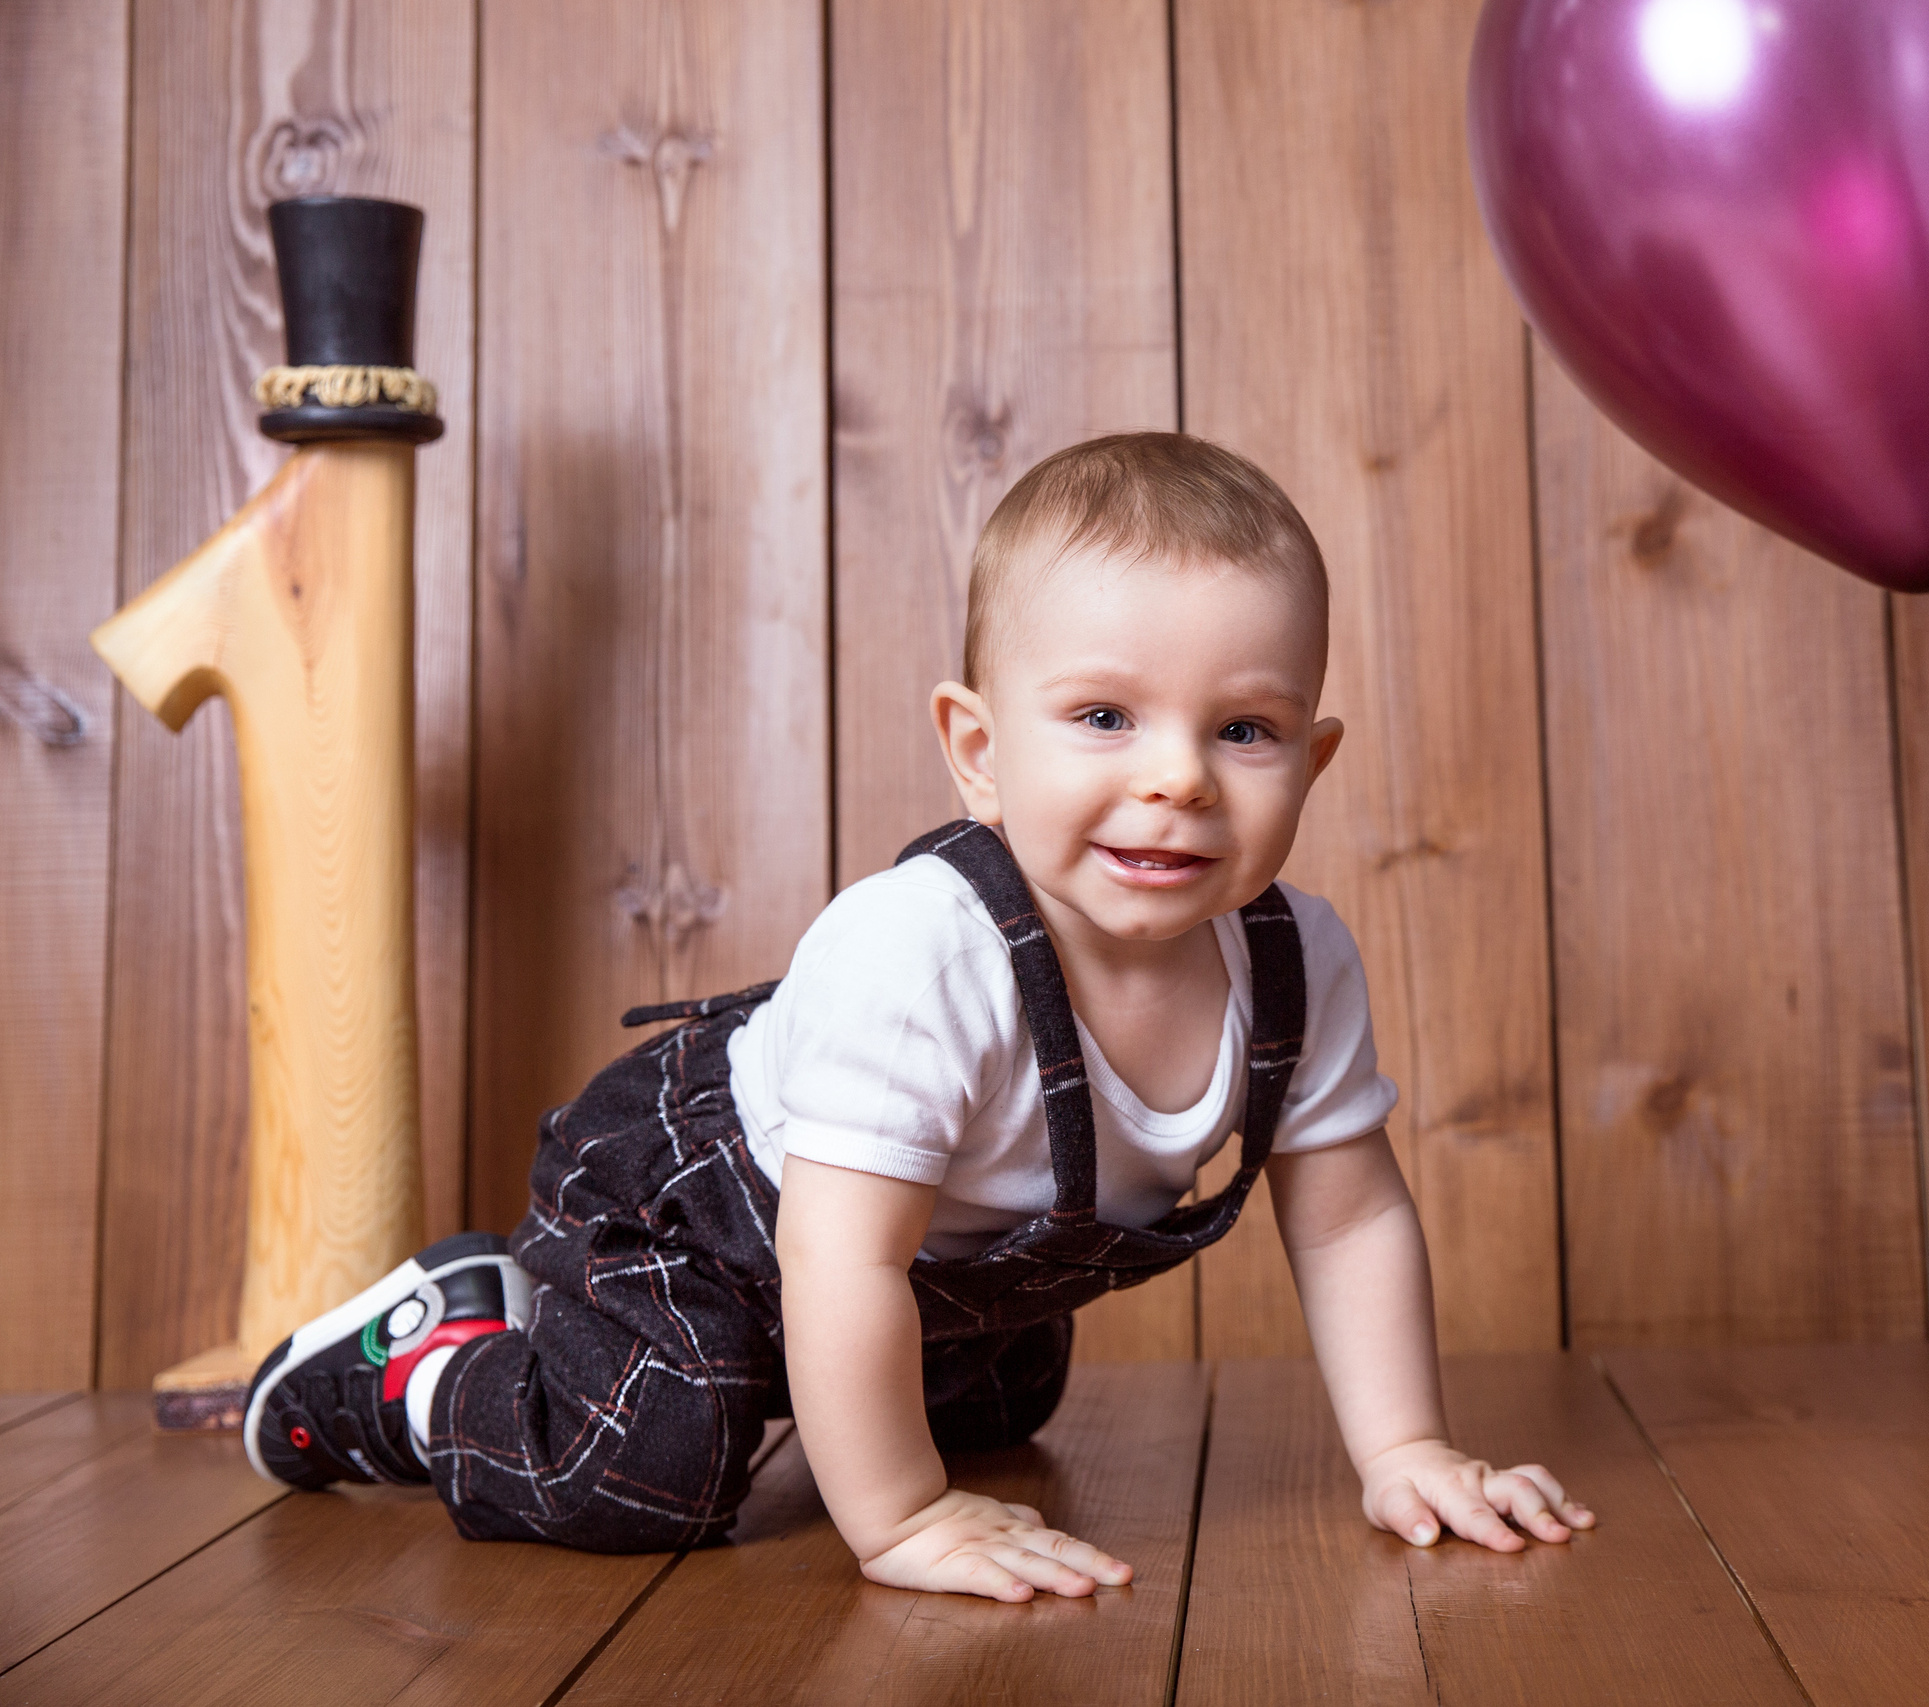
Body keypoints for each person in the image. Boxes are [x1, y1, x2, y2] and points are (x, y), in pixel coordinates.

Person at [241, 432, 1594, 1600]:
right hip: (701, 1215)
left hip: (915, 1278)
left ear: (1315, 757)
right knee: (651, 1469)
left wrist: (1407, 1450)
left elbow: (1350, 1212)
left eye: (1245, 729)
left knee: (1008, 1400)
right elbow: (838, 1260)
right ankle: (435, 1364)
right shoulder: (920, 952)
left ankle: (648, 1374)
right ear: (980, 752)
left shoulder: (1298, 960)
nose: (1179, 778)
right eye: (1106, 716)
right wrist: (897, 1520)